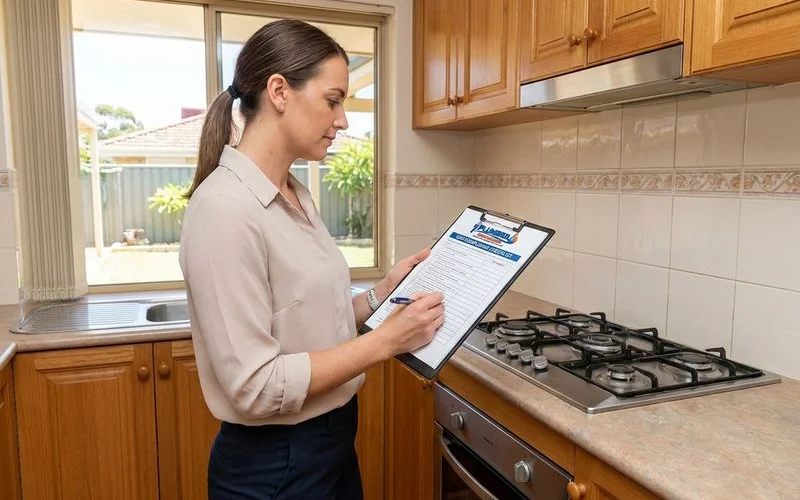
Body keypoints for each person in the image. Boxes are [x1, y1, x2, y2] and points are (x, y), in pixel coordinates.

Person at [178, 19, 445, 500]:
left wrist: (380, 294)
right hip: (275, 462)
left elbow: (309, 317)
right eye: (333, 99)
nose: (343, 119)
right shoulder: (224, 209)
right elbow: (255, 387)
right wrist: (385, 341)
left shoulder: (294, 195)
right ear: (279, 91)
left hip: (330, 441)